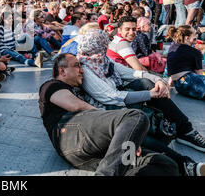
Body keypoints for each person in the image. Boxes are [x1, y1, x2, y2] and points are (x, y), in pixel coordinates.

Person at [76, 29, 205, 175]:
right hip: (108, 114)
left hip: (120, 106)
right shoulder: (85, 67)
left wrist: (157, 80)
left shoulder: (103, 61)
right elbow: (111, 96)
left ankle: (185, 130)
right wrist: (150, 94)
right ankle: (185, 165)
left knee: (145, 82)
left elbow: (131, 73)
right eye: (105, 43)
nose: (108, 45)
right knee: (136, 129)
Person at [39, 53, 179, 176]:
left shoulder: (80, 88)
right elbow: (76, 106)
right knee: (134, 117)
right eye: (76, 66)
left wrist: (129, 137)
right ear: (62, 71)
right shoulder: (51, 85)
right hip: (68, 135)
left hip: (88, 154)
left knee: (166, 165)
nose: (82, 70)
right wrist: (116, 122)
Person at [166, 25, 205, 101]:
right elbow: (199, 74)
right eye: (195, 34)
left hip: (179, 86)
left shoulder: (173, 47)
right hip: (189, 80)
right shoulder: (195, 52)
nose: (197, 35)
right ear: (187, 38)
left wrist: (169, 86)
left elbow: (172, 69)